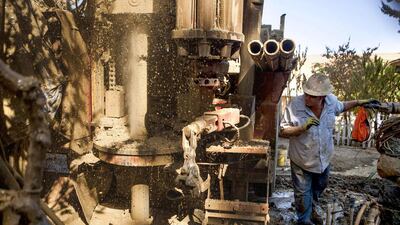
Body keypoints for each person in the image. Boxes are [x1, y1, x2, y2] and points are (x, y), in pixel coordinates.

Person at [279, 73, 378, 225]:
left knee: (321, 185)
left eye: (312, 96)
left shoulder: (331, 101)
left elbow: (342, 106)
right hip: (302, 159)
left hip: (323, 159)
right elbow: (283, 131)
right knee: (302, 194)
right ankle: (304, 220)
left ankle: (311, 207)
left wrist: (358, 102)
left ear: (322, 97)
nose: (307, 98)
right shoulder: (295, 105)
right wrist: (302, 128)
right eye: (306, 94)